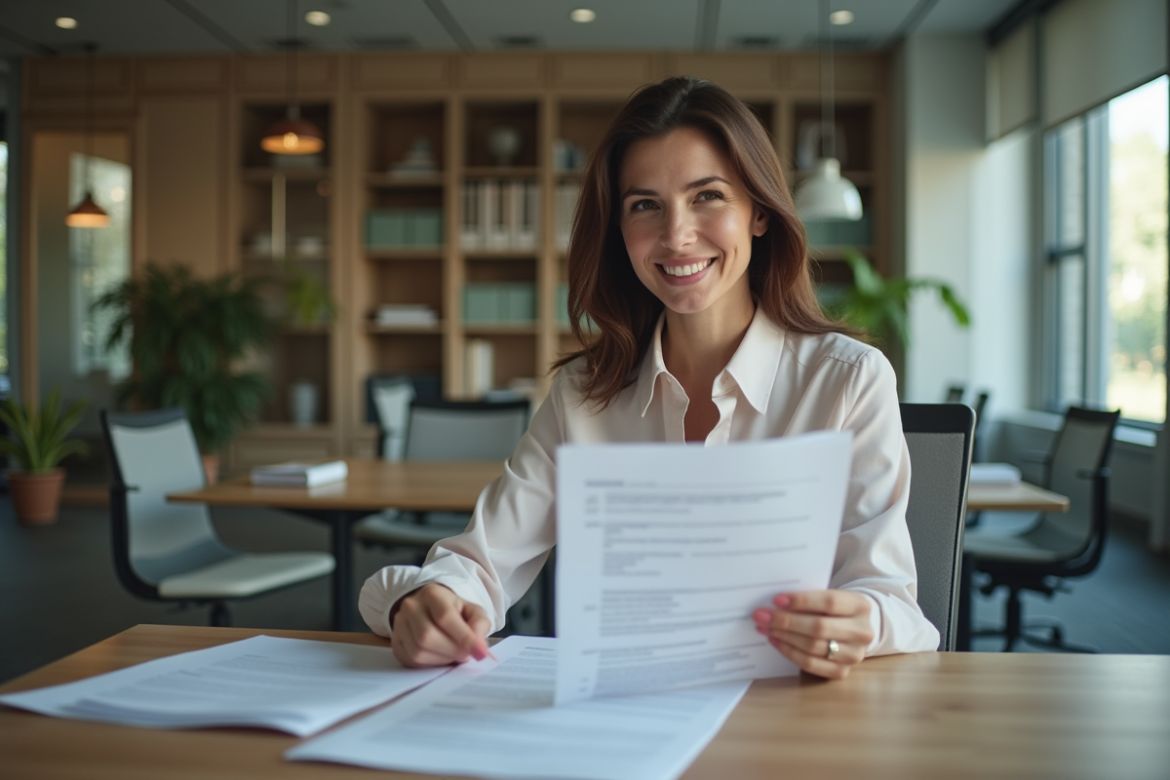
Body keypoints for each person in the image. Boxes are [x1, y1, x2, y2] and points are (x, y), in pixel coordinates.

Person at [359, 76, 940, 680]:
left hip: (788, 718)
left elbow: (894, 605)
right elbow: (480, 564)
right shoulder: (585, 394)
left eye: (708, 196)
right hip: (625, 721)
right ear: (620, 230)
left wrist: (861, 622)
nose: (676, 235)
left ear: (760, 213)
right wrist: (421, 603)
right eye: (645, 205)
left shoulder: (847, 381)